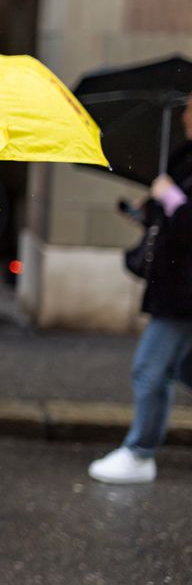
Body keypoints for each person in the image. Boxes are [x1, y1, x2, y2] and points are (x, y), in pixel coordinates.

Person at [89, 107, 192, 484]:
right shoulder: (184, 159)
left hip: (184, 291)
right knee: (182, 368)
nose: (185, 115)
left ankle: (139, 452)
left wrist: (172, 200)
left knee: (150, 370)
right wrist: (149, 210)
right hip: (177, 283)